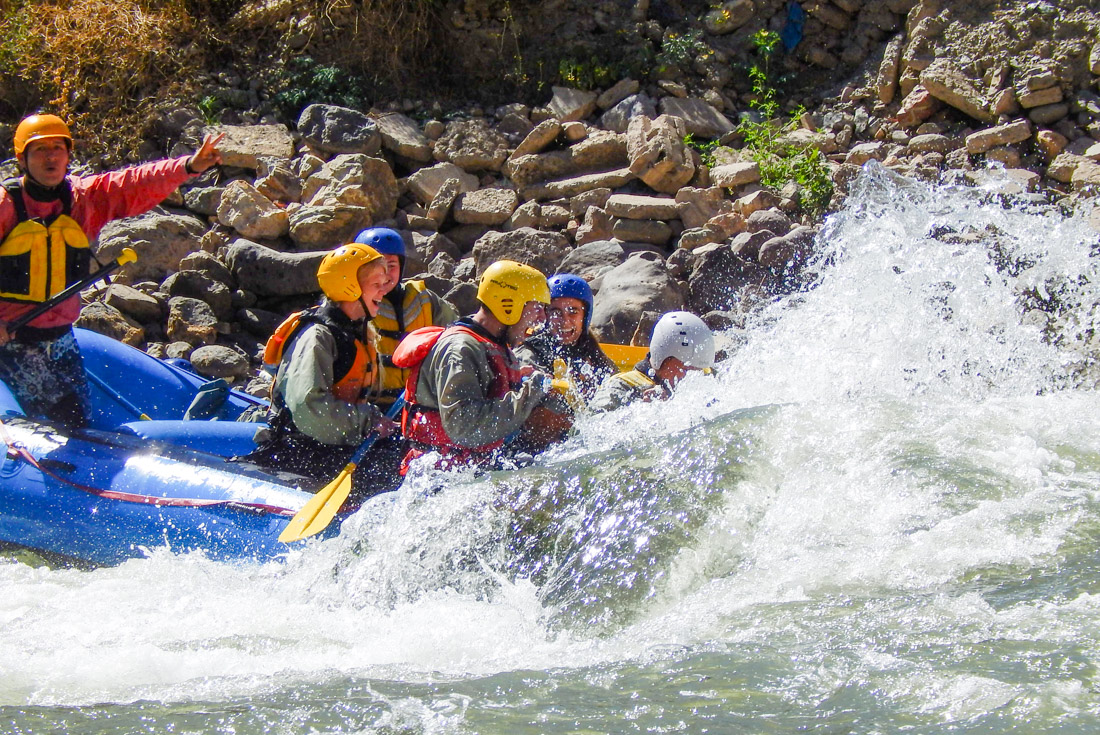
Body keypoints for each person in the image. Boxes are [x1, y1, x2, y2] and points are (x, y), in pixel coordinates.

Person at [0, 113, 224, 427]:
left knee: (79, 418)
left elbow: (134, 182)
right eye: (39, 150)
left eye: (57, 148)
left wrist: (188, 166)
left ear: (67, 155)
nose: (50, 156)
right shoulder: (5, 206)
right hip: (12, 340)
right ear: (22, 160)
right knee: (60, 418)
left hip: (61, 336)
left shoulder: (81, 199)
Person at [242, 243, 401, 500]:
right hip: (296, 450)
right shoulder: (317, 336)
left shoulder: (358, 329)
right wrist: (369, 421)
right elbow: (309, 410)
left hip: (333, 442)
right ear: (349, 287)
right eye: (376, 284)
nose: (384, 290)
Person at [395, 260, 567, 473]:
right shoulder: (459, 349)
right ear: (509, 304)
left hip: (472, 465)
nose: (542, 318)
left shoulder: (493, 345)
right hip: (440, 474)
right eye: (537, 307)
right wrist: (531, 392)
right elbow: (464, 428)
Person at [352, 226, 457, 409]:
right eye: (376, 266)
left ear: (402, 268)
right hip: (372, 407)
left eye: (391, 266)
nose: (384, 274)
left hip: (418, 403)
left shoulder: (426, 299)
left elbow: (456, 336)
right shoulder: (353, 306)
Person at [515, 273, 616, 403]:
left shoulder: (593, 352)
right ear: (546, 315)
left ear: (584, 317)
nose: (565, 322)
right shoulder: (528, 353)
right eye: (556, 312)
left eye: (573, 312)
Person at [588, 311, 715, 414]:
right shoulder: (620, 387)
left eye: (698, 370)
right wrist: (639, 412)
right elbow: (588, 430)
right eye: (686, 369)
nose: (692, 377)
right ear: (662, 357)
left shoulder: (707, 377)